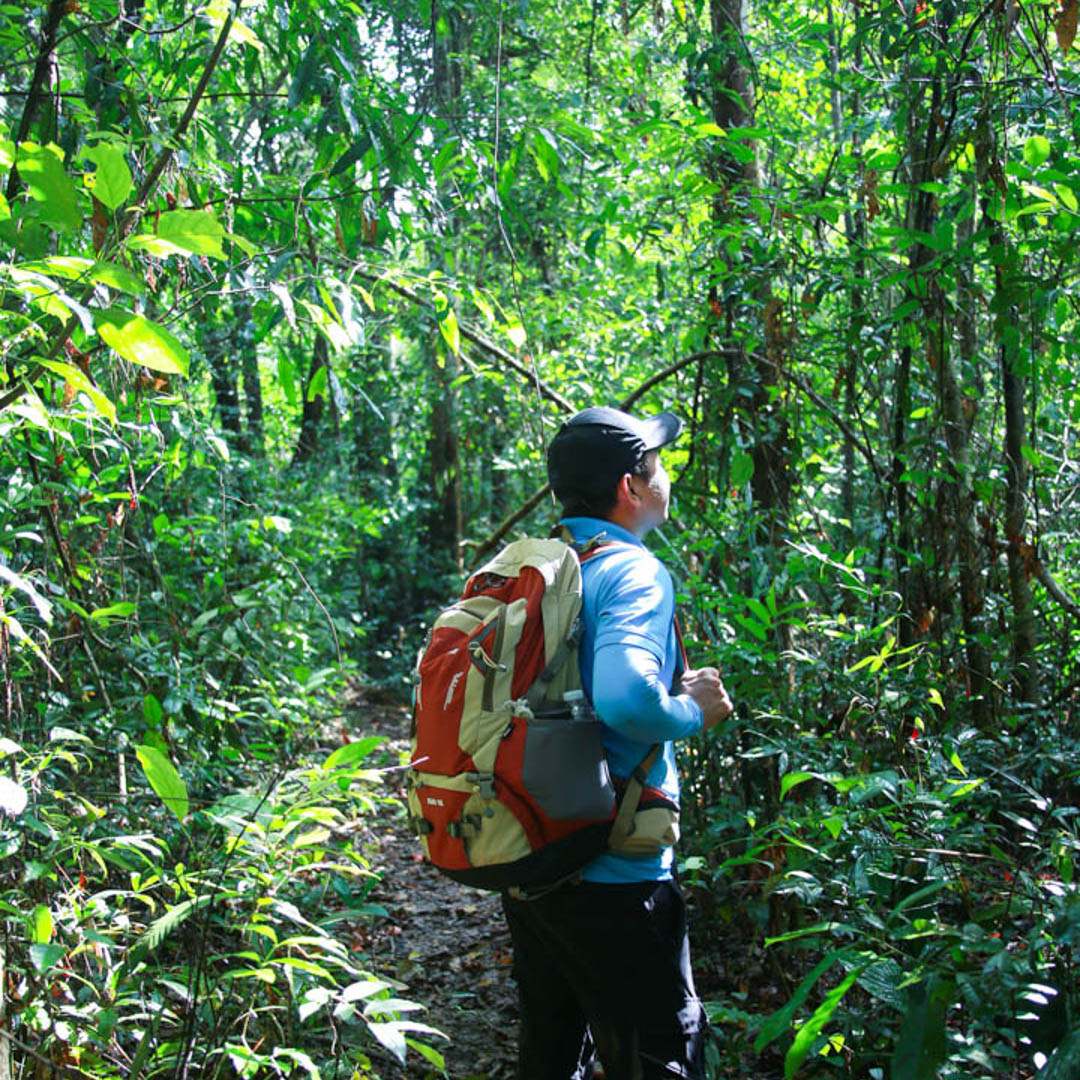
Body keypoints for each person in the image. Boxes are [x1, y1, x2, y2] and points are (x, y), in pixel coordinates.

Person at [500, 406, 734, 1080]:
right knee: (657, 1055)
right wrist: (691, 712)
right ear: (630, 487)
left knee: (550, 1055)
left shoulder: (534, 566)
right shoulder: (630, 572)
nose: (666, 475)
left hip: (531, 857)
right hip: (615, 874)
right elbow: (627, 698)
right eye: (657, 464)